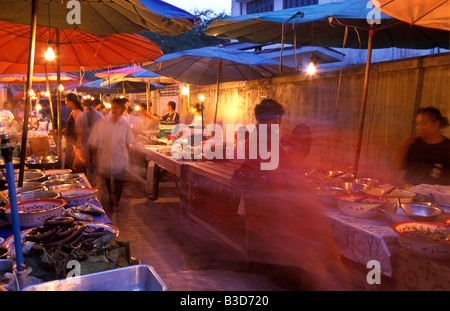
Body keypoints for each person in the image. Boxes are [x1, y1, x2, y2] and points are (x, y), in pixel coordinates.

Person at [231, 99, 349, 290]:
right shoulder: (272, 147)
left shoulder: (254, 141)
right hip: (278, 233)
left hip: (261, 225)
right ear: (275, 120)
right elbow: (282, 191)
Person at [88, 98, 135, 210]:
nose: (114, 110)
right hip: (106, 157)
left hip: (120, 157)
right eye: (113, 107)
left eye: (117, 107)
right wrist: (94, 157)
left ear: (121, 109)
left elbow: (129, 141)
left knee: (119, 182)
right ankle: (110, 196)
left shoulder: (125, 123)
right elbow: (95, 140)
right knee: (108, 180)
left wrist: (131, 157)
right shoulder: (103, 122)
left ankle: (116, 203)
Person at [394, 107, 450, 186]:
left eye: (424, 123)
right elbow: (397, 166)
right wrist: (403, 147)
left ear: (436, 124)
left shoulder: (447, 147)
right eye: (417, 124)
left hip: (435, 194)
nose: (419, 127)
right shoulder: (413, 142)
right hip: (411, 191)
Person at [63, 93, 86, 171]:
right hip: (71, 141)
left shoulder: (77, 112)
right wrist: (67, 130)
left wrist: (78, 143)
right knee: (70, 161)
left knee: (73, 162)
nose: (65, 102)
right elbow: (74, 126)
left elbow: (81, 129)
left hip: (74, 142)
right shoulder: (73, 111)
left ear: (72, 101)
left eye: (66, 100)